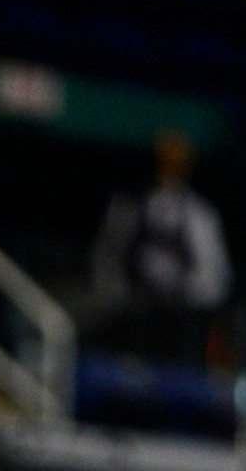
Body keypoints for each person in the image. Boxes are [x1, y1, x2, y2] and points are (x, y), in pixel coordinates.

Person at [91, 131, 231, 366]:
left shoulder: (199, 214)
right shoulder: (127, 205)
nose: (168, 167)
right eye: (163, 159)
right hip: (131, 317)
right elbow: (107, 258)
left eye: (176, 161)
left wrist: (179, 295)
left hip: (179, 322)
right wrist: (121, 295)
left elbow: (214, 278)